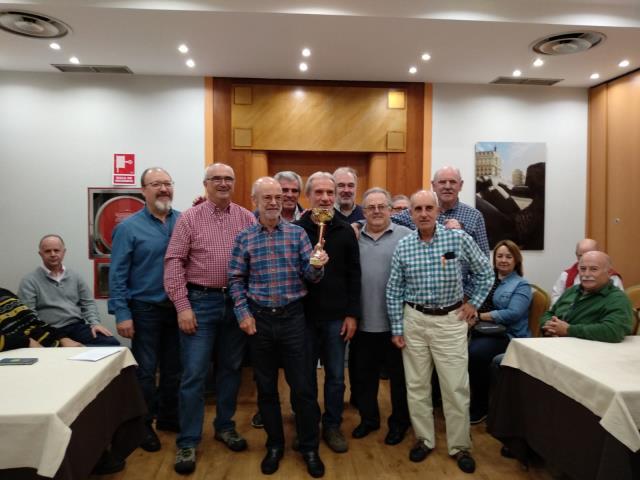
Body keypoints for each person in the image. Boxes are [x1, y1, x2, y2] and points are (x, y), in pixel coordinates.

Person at [386, 190, 493, 474]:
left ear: (437, 211)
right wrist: (397, 327)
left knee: (455, 387)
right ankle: (424, 439)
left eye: (428, 208)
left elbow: (485, 272)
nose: (423, 214)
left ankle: (460, 446)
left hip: (450, 321)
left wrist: (474, 303)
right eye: (417, 209)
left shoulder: (457, 239)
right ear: (410, 214)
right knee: (417, 386)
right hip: (414, 321)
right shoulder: (404, 246)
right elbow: (394, 290)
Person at [228, 177, 327, 478]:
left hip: (293, 319)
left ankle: (309, 447)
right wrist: (243, 313)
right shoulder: (244, 237)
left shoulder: (297, 234)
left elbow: (311, 277)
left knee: (304, 388)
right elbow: (235, 280)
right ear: (254, 200)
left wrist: (318, 265)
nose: (273, 202)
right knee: (267, 389)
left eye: (278, 196)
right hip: (259, 321)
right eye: (267, 197)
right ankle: (274, 446)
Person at [164, 163, 256, 474]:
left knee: (231, 369)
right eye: (216, 178)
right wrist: (182, 306)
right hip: (200, 303)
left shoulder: (246, 217)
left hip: (236, 303)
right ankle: (188, 440)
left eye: (228, 178)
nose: (223, 183)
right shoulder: (190, 218)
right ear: (206, 183)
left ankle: (225, 426)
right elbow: (174, 262)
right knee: (194, 374)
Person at [108, 167, 181, 452]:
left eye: (167, 183)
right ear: (143, 190)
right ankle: (143, 425)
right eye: (156, 184)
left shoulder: (184, 221)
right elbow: (117, 274)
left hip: (177, 309)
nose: (163, 189)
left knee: (175, 370)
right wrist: (122, 313)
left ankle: (169, 417)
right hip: (144, 310)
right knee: (146, 372)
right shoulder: (128, 228)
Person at [295, 171, 361, 453]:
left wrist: (352, 314)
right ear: (308, 196)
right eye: (319, 192)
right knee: (304, 377)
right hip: (303, 318)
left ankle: (332, 425)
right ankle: (307, 426)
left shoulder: (345, 231)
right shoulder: (296, 230)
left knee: (335, 377)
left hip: (336, 318)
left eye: (329, 193)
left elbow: (354, 275)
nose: (324, 198)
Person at [350, 188, 412, 445]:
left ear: (390, 209)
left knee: (399, 380)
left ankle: (399, 423)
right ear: (363, 212)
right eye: (370, 207)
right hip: (363, 322)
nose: (376, 211)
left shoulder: (407, 236)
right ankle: (369, 419)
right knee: (364, 377)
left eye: (381, 206)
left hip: (397, 324)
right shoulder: (353, 236)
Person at [468, 240, 532, 424]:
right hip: (482, 329)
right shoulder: (487, 280)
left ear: (516, 260)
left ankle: (481, 406)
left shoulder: (521, 285)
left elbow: (513, 314)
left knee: (476, 353)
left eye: (508, 257)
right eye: (500, 256)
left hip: (507, 335)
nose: (503, 260)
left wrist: (479, 316)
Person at [18, 235, 120, 347]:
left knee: (111, 344)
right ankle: (79, 351)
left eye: (56, 250)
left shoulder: (75, 276)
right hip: (49, 330)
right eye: (47, 251)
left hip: (76, 327)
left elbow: (88, 303)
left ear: (64, 252)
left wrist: (95, 324)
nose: (53, 254)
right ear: (40, 254)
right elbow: (29, 317)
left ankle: (79, 350)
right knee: (65, 350)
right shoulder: (29, 281)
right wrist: (59, 338)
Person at [541, 251, 632, 343]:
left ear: (609, 273)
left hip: (588, 349)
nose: (586, 274)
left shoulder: (617, 298)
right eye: (583, 269)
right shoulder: (572, 290)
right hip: (555, 343)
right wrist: (549, 327)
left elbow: (614, 331)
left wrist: (569, 330)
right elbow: (549, 313)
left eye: (594, 269)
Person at [0, 288, 81, 351]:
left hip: (53, 346)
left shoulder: (4, 293)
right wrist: (27, 342)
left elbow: (35, 321)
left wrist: (63, 338)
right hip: (25, 354)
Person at [551, 238, 624, 306]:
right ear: (576, 255)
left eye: (589, 254)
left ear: (598, 253)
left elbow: (617, 302)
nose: (585, 258)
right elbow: (556, 298)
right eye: (580, 256)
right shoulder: (566, 275)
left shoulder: (609, 275)